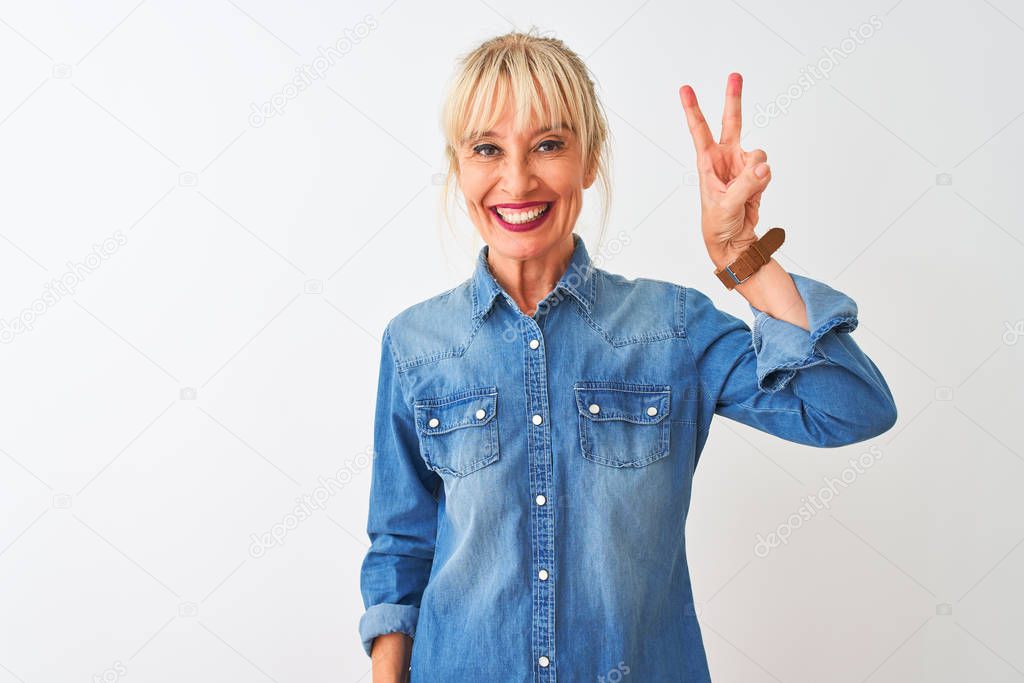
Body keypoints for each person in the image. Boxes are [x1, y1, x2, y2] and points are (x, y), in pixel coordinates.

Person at [358, 29, 897, 683]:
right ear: (459, 165)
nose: (517, 179)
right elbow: (400, 549)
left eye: (548, 144)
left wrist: (742, 260)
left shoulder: (672, 328)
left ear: (590, 159)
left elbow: (849, 409)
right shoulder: (415, 344)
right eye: (487, 149)